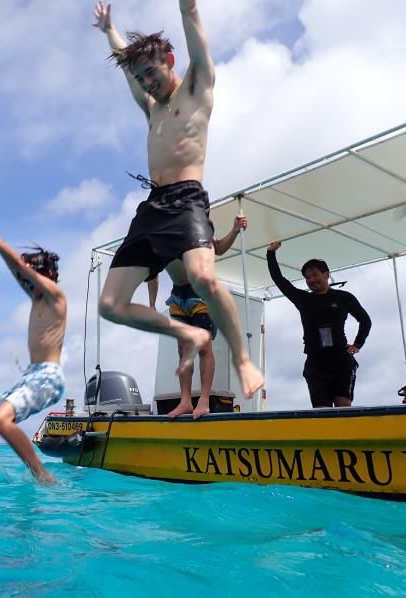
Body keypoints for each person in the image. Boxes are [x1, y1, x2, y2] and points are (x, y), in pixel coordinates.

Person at [92, 1, 263, 399]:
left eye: (151, 72)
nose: (147, 82)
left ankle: (243, 359)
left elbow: (191, 17)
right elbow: (126, 63)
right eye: (140, 77)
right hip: (153, 207)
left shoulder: (197, 85)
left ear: (170, 60)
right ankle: (186, 331)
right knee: (110, 305)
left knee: (203, 277)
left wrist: (187, 6)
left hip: (187, 202)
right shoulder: (151, 108)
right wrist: (109, 31)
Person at [0, 199, 67, 484]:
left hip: (48, 377)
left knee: (0, 421)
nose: (22, 280)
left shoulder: (56, 297)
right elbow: (16, 270)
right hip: (30, 377)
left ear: (44, 276)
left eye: (29, 275)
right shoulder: (36, 297)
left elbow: (21, 269)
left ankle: (43, 476)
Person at [148, 215, 248, 418]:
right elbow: (152, 274)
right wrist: (151, 305)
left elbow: (218, 247)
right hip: (178, 296)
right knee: (183, 350)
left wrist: (235, 230)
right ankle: (185, 401)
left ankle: (203, 400)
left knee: (203, 347)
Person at [266, 241, 372, 408]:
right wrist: (270, 253)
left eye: (315, 275)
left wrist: (358, 344)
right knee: (322, 412)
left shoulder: (344, 297)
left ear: (326, 274)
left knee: (343, 408)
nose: (311, 280)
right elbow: (279, 280)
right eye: (307, 277)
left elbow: (365, 320)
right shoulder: (303, 299)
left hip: (341, 361)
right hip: (316, 364)